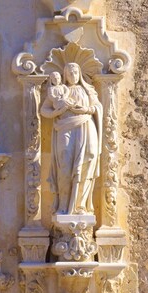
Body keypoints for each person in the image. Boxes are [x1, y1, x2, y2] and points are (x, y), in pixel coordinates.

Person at [40, 63, 102, 215]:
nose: (72, 74)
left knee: (89, 159)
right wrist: (58, 111)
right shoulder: (60, 91)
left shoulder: (88, 90)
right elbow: (44, 110)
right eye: (69, 72)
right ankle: (63, 206)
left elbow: (97, 107)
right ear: (64, 75)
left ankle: (80, 206)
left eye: (75, 71)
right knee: (64, 161)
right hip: (64, 127)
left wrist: (87, 109)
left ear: (80, 73)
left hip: (86, 125)